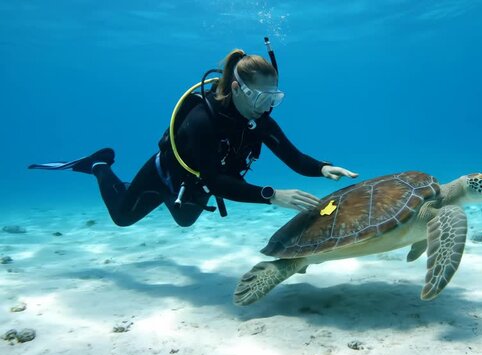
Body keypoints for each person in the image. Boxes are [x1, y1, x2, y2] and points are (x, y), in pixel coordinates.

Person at [29, 47, 358, 227]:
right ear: (235, 89)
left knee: (185, 220)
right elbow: (217, 182)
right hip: (167, 173)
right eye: (260, 97)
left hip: (199, 183)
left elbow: (295, 159)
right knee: (121, 217)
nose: (266, 106)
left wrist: (322, 168)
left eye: (273, 98)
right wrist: (272, 194)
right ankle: (100, 164)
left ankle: (139, 190)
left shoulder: (260, 121)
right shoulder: (203, 121)